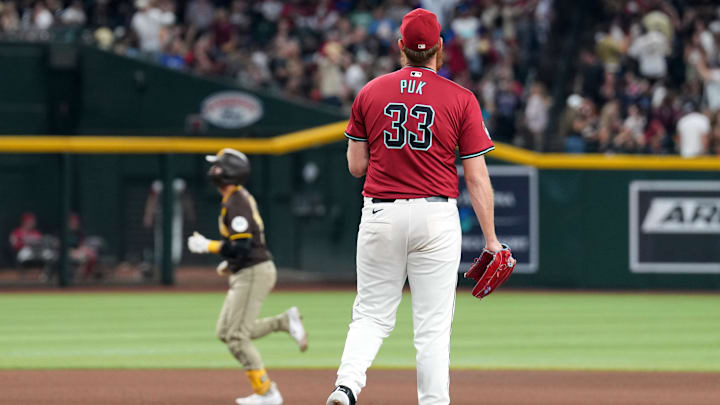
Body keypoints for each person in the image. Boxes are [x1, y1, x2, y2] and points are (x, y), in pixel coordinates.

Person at [327, 9, 506, 405]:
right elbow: (476, 177)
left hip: (381, 212)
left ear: (400, 47)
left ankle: (347, 386)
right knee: (432, 327)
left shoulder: (370, 92)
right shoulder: (461, 98)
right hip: (436, 216)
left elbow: (356, 167)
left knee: (371, 315)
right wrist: (491, 240)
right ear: (440, 48)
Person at [187, 148, 308, 405]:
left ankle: (267, 393)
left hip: (254, 272)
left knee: (237, 338)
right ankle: (284, 321)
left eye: (218, 166)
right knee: (226, 331)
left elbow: (242, 246)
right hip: (247, 271)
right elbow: (241, 246)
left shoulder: (236, 201)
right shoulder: (233, 198)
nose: (213, 170)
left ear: (228, 171)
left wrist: (209, 246)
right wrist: (229, 264)